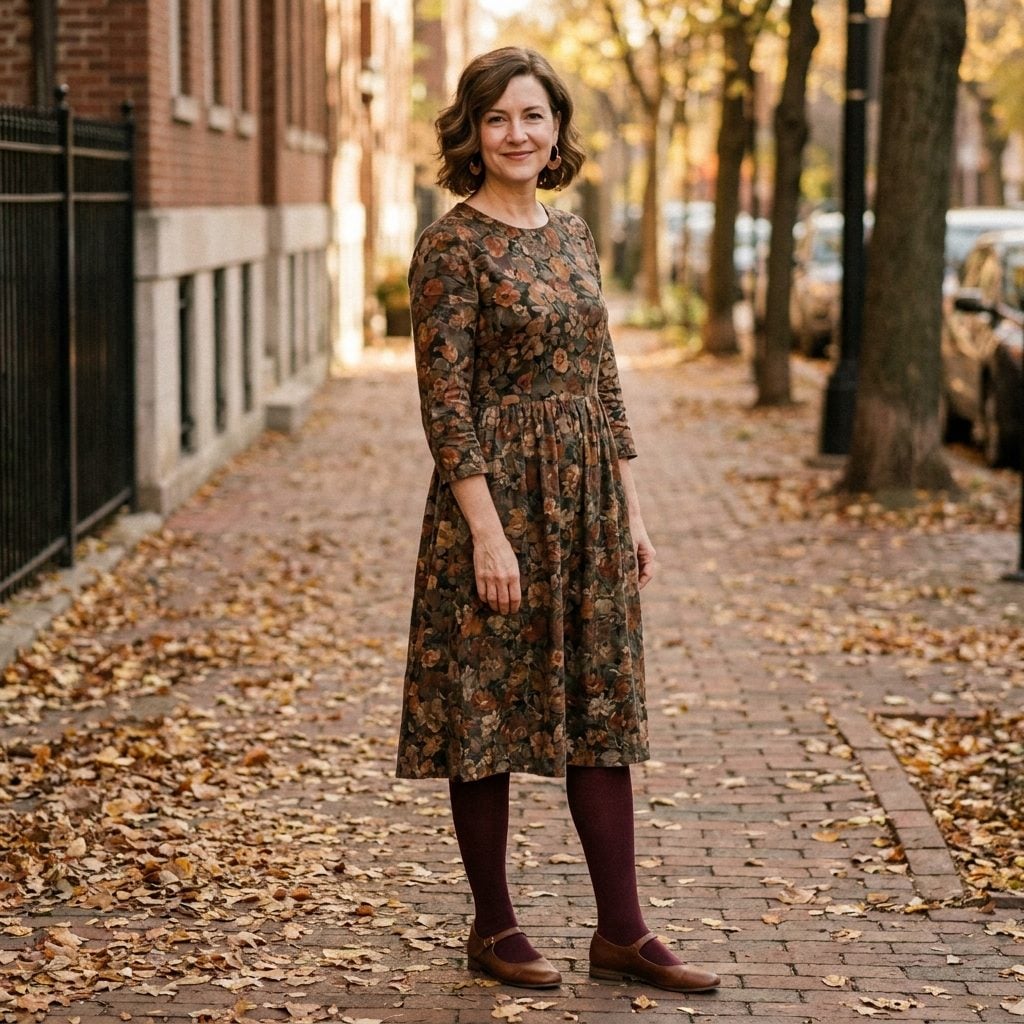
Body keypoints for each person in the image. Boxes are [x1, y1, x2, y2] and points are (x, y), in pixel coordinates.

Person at [396, 46, 721, 995]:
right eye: (497, 119)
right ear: (472, 132)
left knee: (603, 711)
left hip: (584, 503)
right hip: (493, 501)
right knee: (484, 712)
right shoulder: (451, 247)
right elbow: (444, 402)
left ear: (557, 129)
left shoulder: (574, 236)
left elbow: (604, 385)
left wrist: (633, 512)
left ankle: (622, 931)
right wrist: (486, 532)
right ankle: (494, 929)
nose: (516, 135)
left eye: (532, 116)